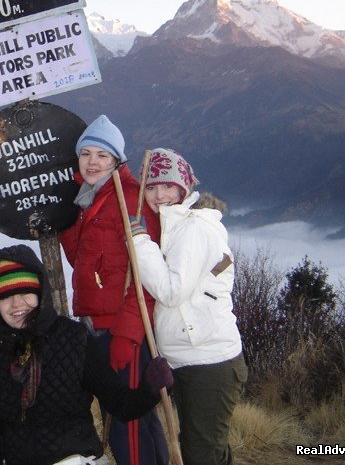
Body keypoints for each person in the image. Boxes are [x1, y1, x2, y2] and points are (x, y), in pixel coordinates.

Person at [0, 244, 174, 465]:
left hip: (76, 459)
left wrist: (150, 389)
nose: (16, 304)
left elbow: (121, 405)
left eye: (24, 292)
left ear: (40, 293)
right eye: (5, 297)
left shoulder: (73, 338)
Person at [58, 114, 169, 465]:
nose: (92, 162)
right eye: (86, 154)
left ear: (117, 160)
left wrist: (129, 334)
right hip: (97, 324)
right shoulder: (87, 199)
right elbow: (86, 266)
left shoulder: (133, 201)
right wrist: (65, 222)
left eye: (102, 155)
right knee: (137, 416)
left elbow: (147, 279)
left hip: (124, 328)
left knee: (128, 422)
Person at [128, 148, 247, 465]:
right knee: (207, 449)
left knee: (199, 454)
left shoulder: (193, 228)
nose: (159, 195)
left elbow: (171, 291)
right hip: (191, 359)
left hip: (209, 361)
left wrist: (139, 242)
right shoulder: (175, 228)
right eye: (150, 187)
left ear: (184, 187)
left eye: (167, 186)